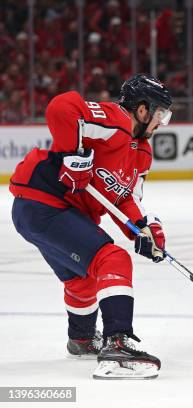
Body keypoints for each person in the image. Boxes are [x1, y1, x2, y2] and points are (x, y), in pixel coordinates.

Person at [9, 74, 173, 379]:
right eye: (160, 114)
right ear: (142, 110)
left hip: (48, 212)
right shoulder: (117, 120)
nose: (161, 122)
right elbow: (62, 107)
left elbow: (125, 199)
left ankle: (82, 339)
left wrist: (143, 229)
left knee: (83, 280)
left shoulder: (142, 154)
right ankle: (118, 342)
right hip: (45, 201)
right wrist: (74, 157)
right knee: (112, 258)